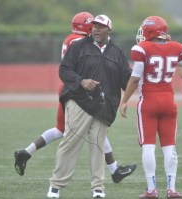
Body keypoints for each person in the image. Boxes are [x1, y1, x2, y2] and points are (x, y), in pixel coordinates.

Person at [14, 12, 136, 184]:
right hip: (77, 90)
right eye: (92, 25)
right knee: (91, 127)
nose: (94, 29)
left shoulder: (71, 39)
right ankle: (113, 169)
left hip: (71, 86)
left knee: (64, 129)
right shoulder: (80, 43)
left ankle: (26, 152)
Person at [47, 14, 132, 199]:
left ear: (109, 29)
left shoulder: (117, 51)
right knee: (70, 143)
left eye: (100, 27)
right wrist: (81, 81)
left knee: (98, 147)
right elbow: (64, 70)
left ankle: (97, 188)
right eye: (94, 26)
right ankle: (56, 185)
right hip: (79, 102)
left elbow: (126, 79)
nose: (96, 29)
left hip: (104, 106)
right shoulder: (78, 46)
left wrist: (137, 81)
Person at [120, 16, 182, 199]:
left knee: (148, 146)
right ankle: (171, 189)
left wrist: (124, 100)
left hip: (149, 101)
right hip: (168, 101)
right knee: (169, 146)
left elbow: (134, 78)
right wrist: (167, 44)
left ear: (149, 30)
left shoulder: (141, 48)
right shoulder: (178, 47)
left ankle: (152, 189)